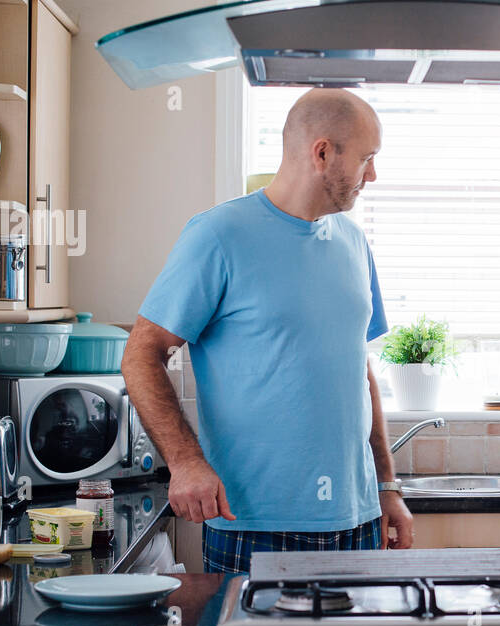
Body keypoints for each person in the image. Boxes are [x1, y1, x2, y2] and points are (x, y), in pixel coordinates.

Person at [122, 88, 414, 572]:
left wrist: (386, 486)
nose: (373, 175)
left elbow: (359, 372)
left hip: (357, 521)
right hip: (257, 525)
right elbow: (141, 354)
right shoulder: (217, 235)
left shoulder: (354, 242)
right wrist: (186, 462)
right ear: (322, 153)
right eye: (367, 159)